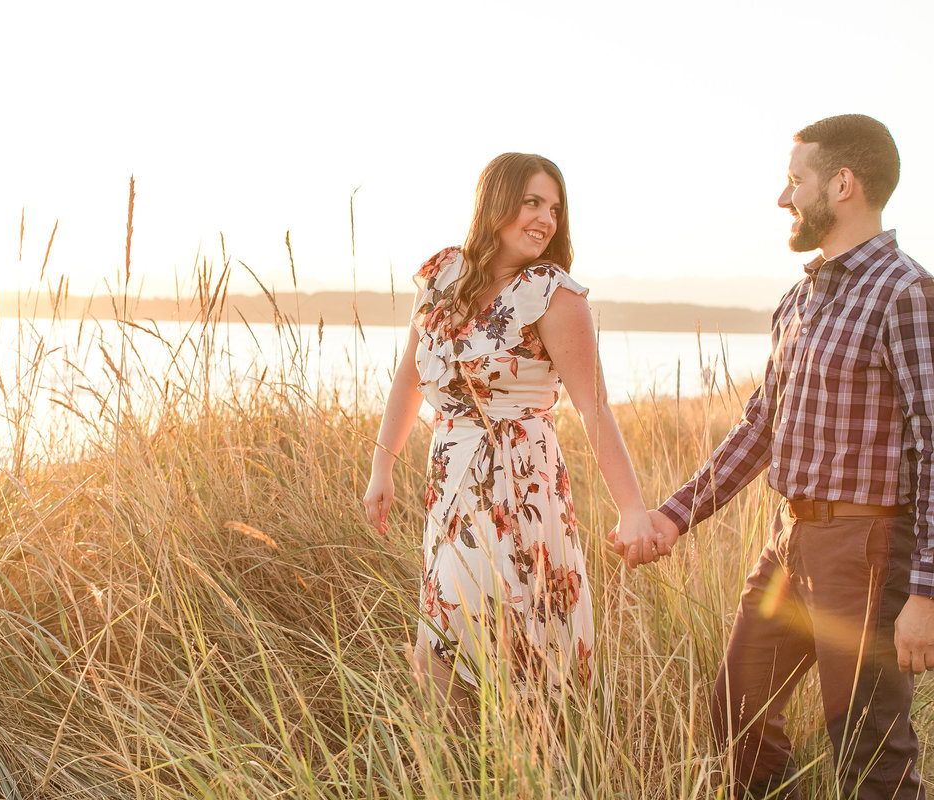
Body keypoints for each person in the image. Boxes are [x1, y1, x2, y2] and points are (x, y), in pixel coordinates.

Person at [635, 114, 933, 799]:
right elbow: (759, 428)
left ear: (843, 184)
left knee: (871, 756)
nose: (782, 197)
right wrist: (674, 516)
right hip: (789, 543)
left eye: (794, 180)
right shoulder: (798, 299)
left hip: (866, 550)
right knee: (735, 716)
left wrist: (927, 591)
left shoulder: (907, 293)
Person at [362, 152, 670, 720]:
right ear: (495, 202)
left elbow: (594, 408)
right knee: (444, 633)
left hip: (522, 484)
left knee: (521, 640)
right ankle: (449, 768)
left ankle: (538, 765)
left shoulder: (553, 293)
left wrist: (632, 508)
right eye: (532, 202)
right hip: (450, 477)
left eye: (554, 208)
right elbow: (411, 373)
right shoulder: (440, 276)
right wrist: (382, 467)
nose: (546, 219)